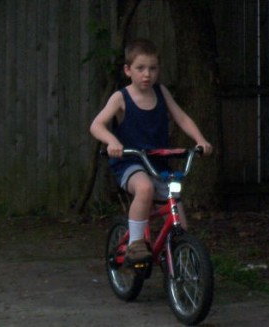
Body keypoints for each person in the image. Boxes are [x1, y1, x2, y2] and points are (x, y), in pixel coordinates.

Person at [90, 38, 212, 265]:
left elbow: (181, 117)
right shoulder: (121, 98)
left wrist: (200, 140)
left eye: (153, 68)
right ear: (128, 70)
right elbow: (96, 125)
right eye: (140, 68)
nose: (147, 74)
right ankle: (135, 244)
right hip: (131, 162)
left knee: (180, 224)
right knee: (144, 188)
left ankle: (176, 264)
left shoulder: (161, 92)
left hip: (158, 164)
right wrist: (112, 141)